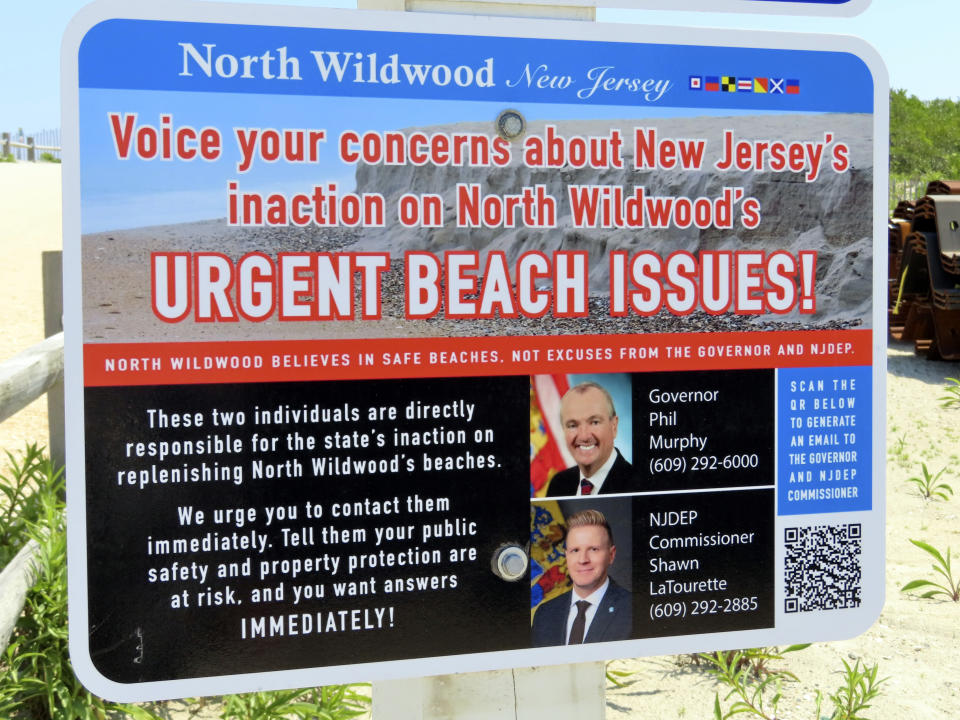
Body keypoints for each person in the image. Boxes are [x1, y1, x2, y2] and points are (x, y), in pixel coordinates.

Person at [531, 509, 631, 646]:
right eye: (575, 550)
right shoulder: (544, 614)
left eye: (593, 549)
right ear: (566, 555)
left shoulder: (633, 610)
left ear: (611, 555)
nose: (583, 560)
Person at [547, 381, 638, 496]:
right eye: (573, 425)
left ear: (614, 426)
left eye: (594, 422)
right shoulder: (558, 484)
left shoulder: (638, 485)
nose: (584, 436)